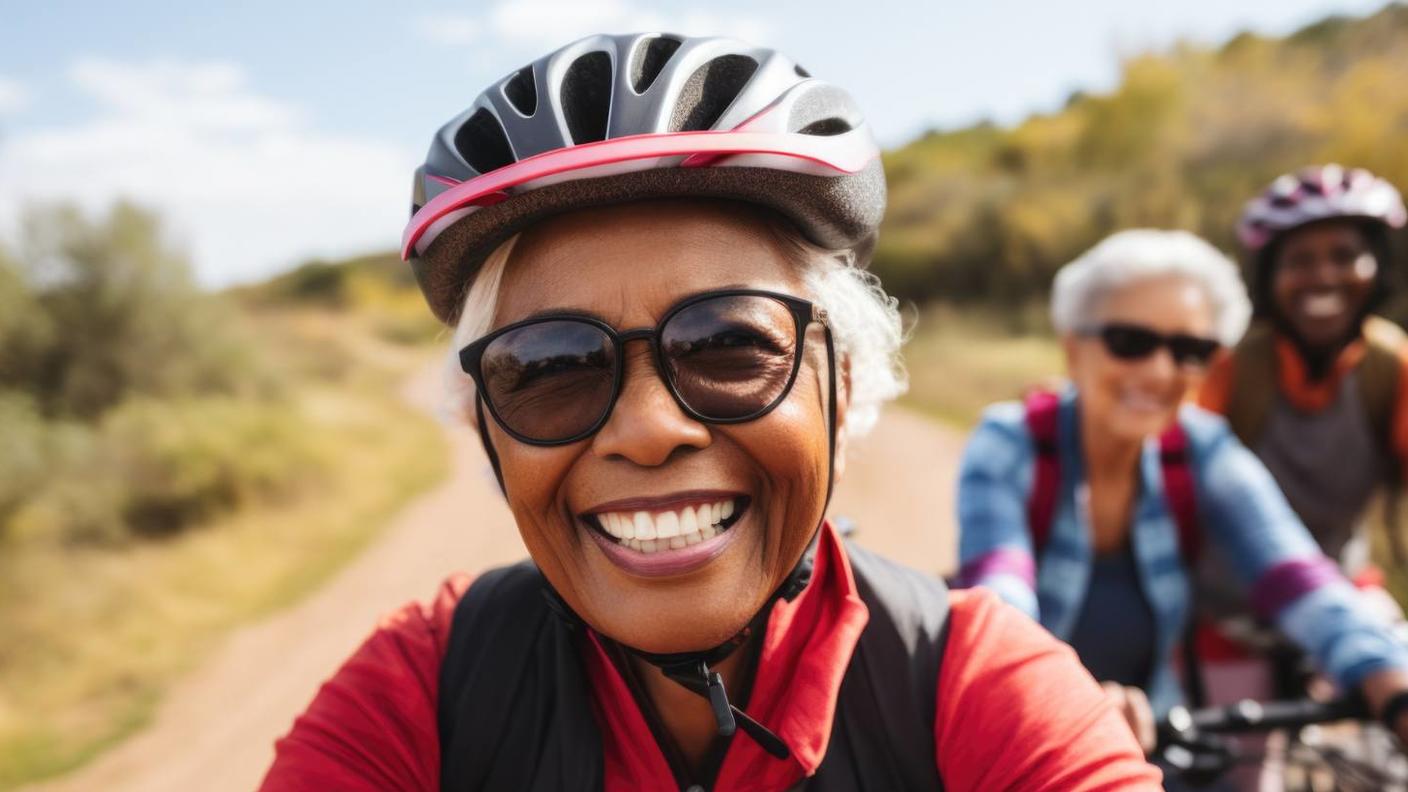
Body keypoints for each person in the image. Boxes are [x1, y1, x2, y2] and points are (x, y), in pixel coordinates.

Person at [258, 34, 1161, 791]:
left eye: (729, 345)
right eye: (550, 366)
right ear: (483, 423)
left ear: (840, 384)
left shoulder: (978, 685)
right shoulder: (429, 686)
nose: (649, 430)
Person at [954, 229, 1408, 756]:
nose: (1160, 371)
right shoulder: (1009, 442)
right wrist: (1060, 698)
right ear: (1073, 347)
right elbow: (998, 592)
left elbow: (1295, 576)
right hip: (1024, 736)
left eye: (1191, 350)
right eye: (1130, 341)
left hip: (1157, 735)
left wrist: (1386, 676)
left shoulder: (1201, 447)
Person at [1200, 164, 1408, 584]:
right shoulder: (1231, 366)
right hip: (1222, 606)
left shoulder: (1390, 364)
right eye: (1300, 260)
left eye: (1345, 256)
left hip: (1343, 589)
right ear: (1268, 278)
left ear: (1378, 267)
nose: (1325, 276)